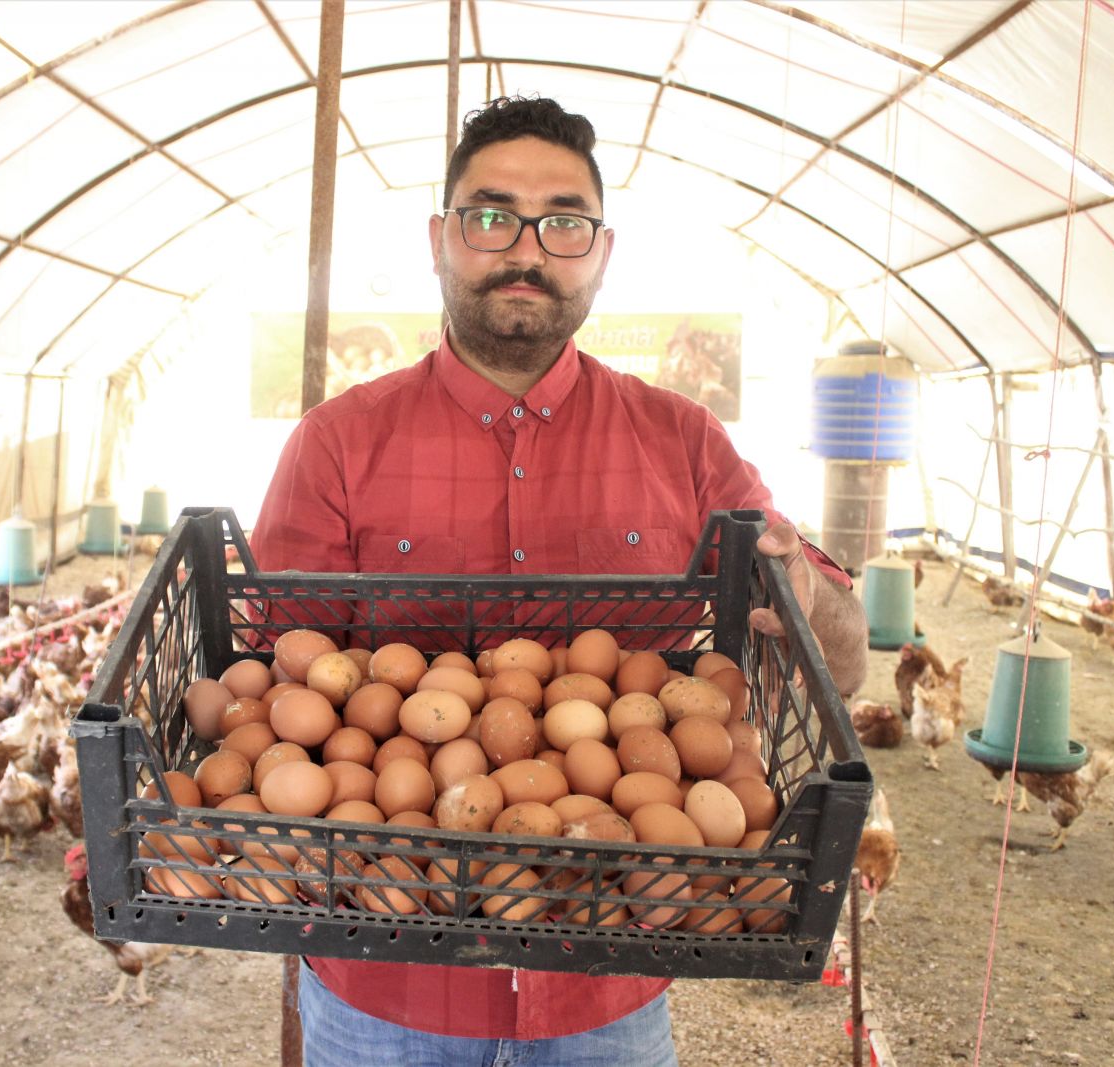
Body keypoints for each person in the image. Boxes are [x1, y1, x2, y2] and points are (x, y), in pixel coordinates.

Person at [252, 95, 867, 1067]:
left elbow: (841, 657)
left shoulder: (686, 443)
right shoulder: (335, 444)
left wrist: (809, 596)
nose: (525, 247)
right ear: (440, 238)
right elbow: (267, 681)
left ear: (602, 249)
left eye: (563, 221)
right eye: (489, 215)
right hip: (383, 982)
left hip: (609, 989)